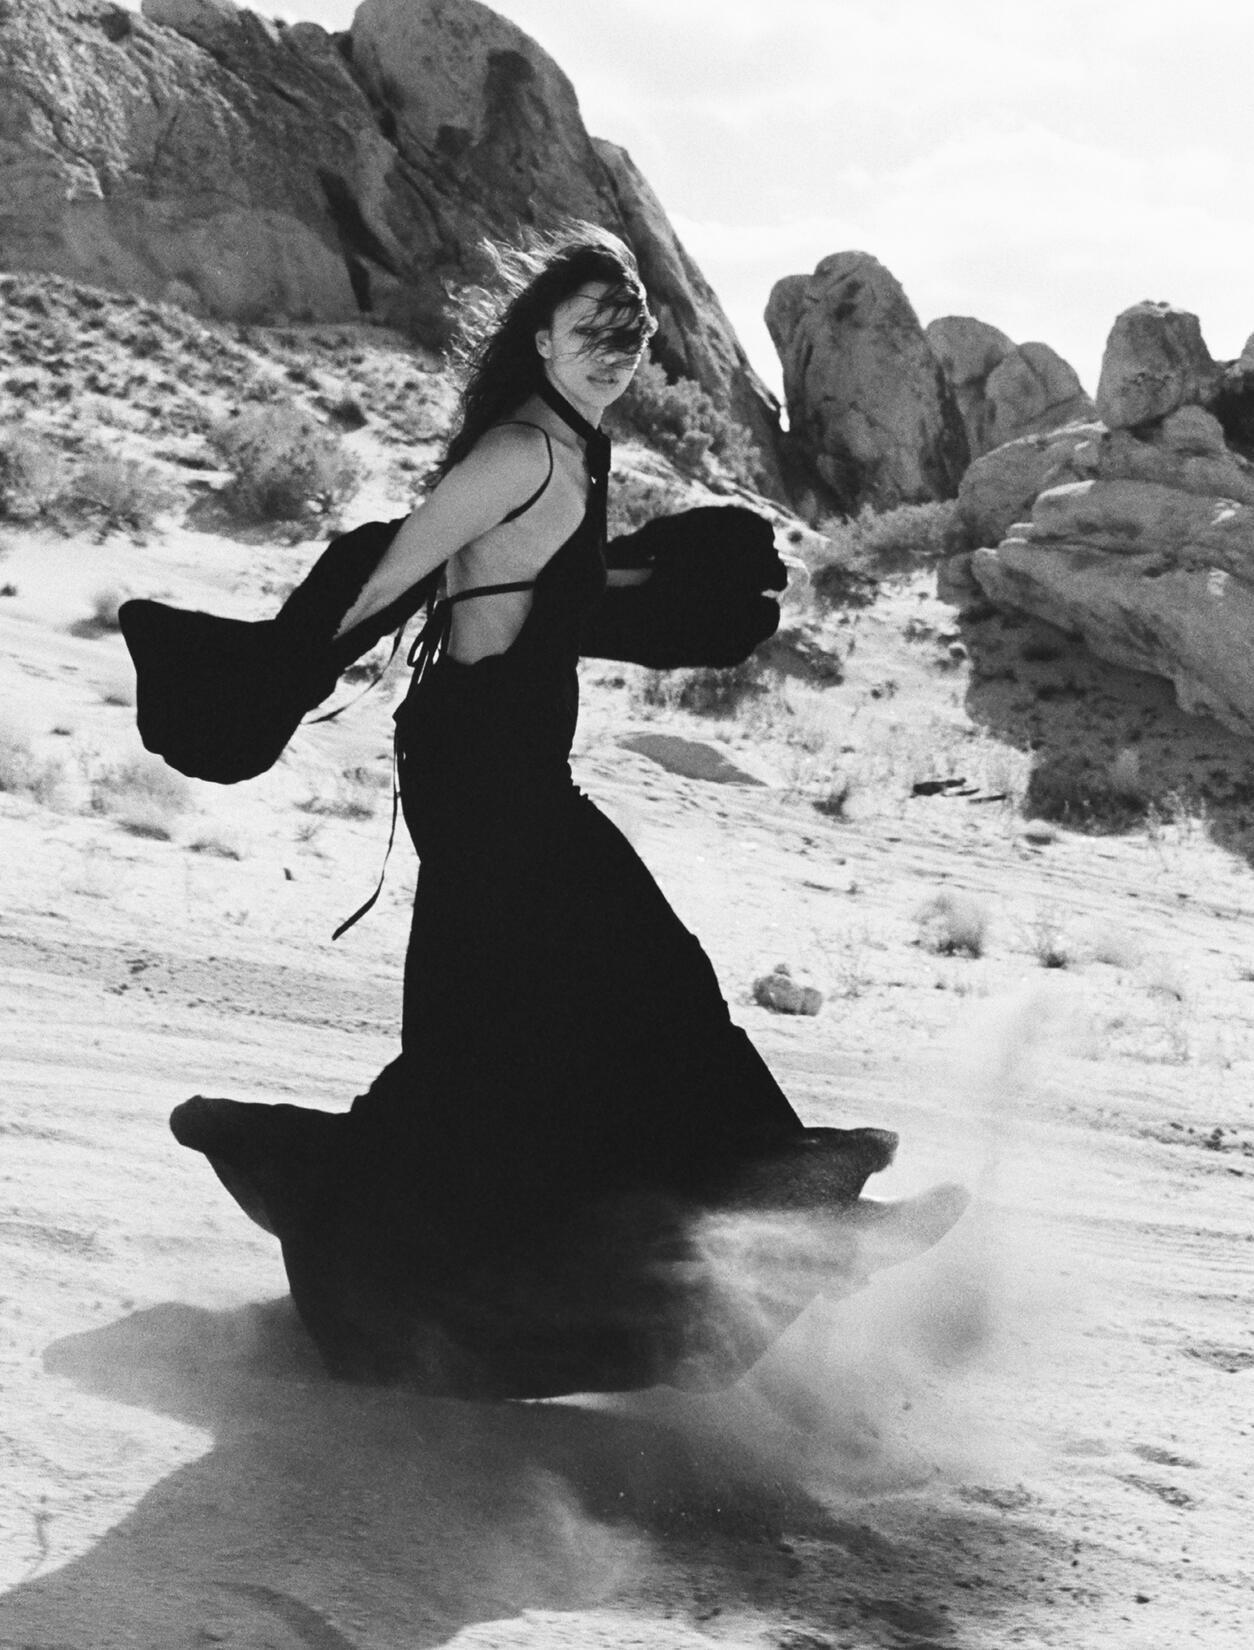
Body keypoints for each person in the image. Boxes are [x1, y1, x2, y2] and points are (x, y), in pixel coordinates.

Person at [171, 224, 965, 1398]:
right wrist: (276, 678)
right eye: (591, 327)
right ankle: (796, 1220)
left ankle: (393, 1271)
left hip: (501, 763)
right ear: (540, 337)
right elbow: (398, 568)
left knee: (491, 1039)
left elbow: (540, 589)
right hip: (486, 770)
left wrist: (659, 585)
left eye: (632, 331)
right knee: (650, 978)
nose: (616, 347)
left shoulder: (571, 452)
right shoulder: (520, 451)